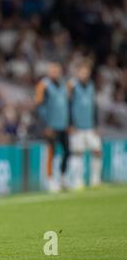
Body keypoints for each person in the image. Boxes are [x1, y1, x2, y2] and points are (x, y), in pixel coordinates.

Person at [35, 62, 70, 191]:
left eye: (57, 69)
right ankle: (50, 180)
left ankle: (62, 178)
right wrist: (45, 125)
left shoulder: (63, 84)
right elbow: (39, 106)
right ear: (49, 70)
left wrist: (68, 122)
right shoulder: (43, 85)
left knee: (67, 152)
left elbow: (67, 105)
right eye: (53, 69)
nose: (55, 72)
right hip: (51, 126)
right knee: (51, 153)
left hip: (63, 125)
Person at [68, 59, 102, 189]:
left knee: (97, 150)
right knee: (78, 153)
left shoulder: (92, 85)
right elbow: (68, 105)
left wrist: (96, 124)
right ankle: (78, 181)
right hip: (77, 126)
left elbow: (94, 106)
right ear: (77, 72)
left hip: (90, 126)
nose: (84, 74)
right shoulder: (72, 85)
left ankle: (95, 180)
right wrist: (70, 124)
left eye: (86, 72)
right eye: (82, 72)